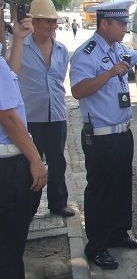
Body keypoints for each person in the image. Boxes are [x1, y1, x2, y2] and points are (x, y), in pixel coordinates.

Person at [69, 0, 137, 270]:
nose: (124, 29)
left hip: (122, 133)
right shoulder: (87, 53)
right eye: (120, 24)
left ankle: (119, 233)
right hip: (100, 137)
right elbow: (78, 90)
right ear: (104, 24)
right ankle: (97, 246)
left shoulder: (117, 48)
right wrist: (108, 74)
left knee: (121, 185)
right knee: (100, 191)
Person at [7, 0, 74, 217]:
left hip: (56, 114)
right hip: (31, 117)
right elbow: (11, 73)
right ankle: (30, 207)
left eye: (54, 21)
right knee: (31, 164)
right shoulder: (20, 46)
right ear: (34, 22)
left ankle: (58, 202)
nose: (52, 26)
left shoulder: (61, 49)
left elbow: (59, 79)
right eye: (47, 21)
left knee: (58, 161)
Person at [0, 15, 47, 279]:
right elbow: (7, 116)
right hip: (7, 166)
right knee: (9, 248)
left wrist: (18, 39)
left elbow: (10, 75)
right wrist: (35, 159)